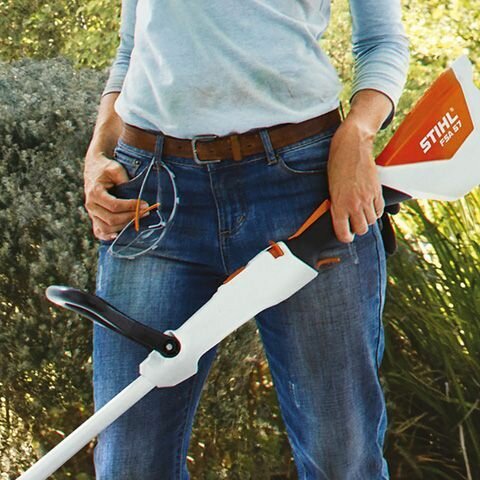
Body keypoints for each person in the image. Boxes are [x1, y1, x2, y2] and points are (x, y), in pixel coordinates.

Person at [83, 0, 409, 478]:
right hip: (153, 195)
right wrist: (99, 152)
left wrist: (356, 135)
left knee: (340, 456)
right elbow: (133, 48)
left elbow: (382, 41)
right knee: (129, 464)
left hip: (302, 187)